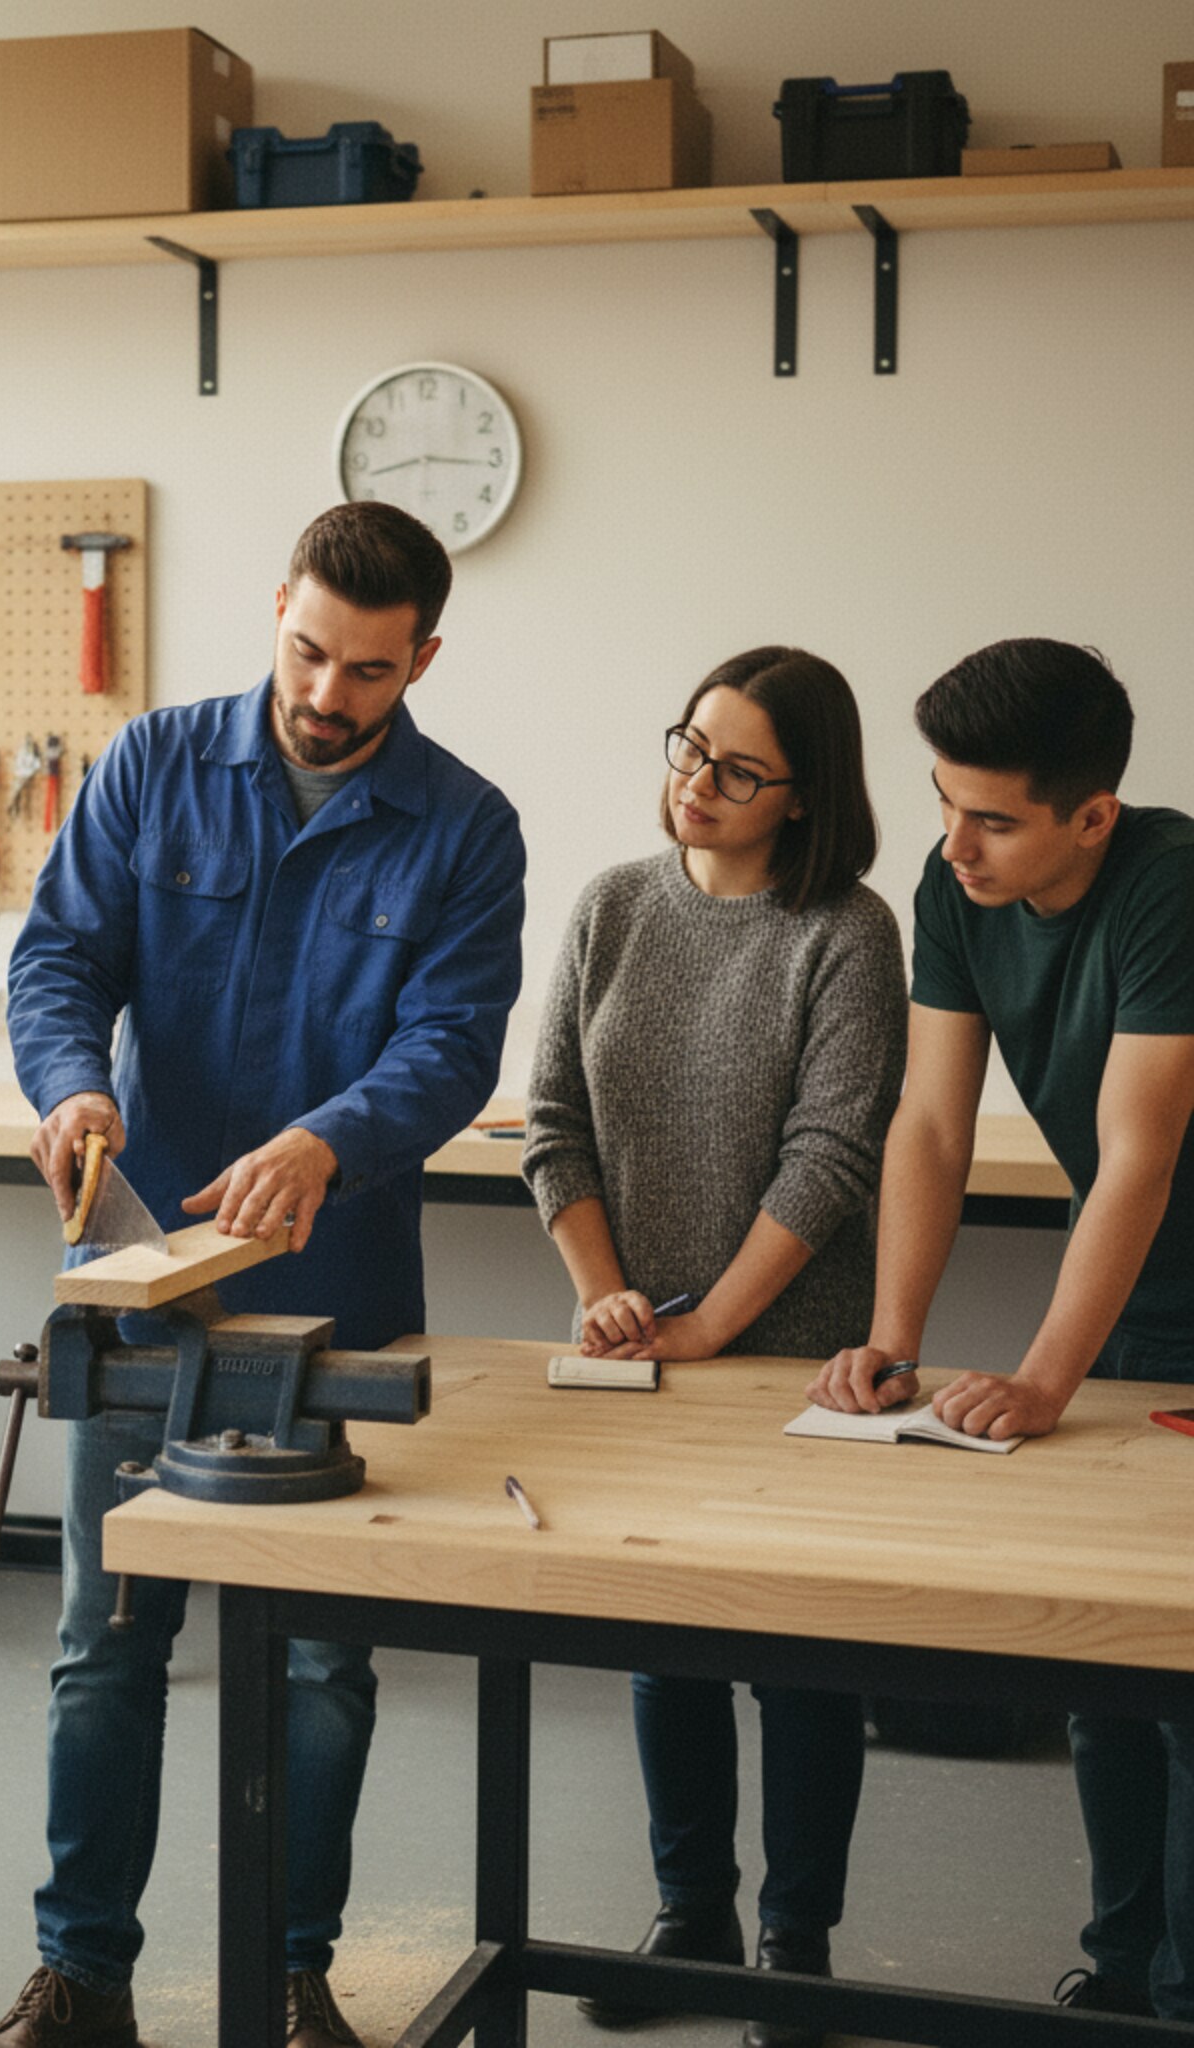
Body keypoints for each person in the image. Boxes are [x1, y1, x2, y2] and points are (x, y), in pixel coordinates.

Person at [0, 501, 526, 2048]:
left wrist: (330, 1138)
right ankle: (83, 1977)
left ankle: (295, 1973)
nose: (326, 694)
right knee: (107, 1641)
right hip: (140, 1275)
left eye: (368, 669)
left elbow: (451, 1042)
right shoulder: (153, 766)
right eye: (307, 651)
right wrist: (67, 1087)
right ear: (275, 605)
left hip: (333, 1298)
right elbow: (59, 961)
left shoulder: (467, 826)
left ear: (421, 656)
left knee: (322, 1665)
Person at [521, 648, 906, 2048]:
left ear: (802, 798)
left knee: (801, 1653)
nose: (697, 779)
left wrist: (704, 1328)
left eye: (739, 769)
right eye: (691, 745)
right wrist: (613, 1299)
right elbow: (551, 1119)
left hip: (795, 1357)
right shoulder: (612, 905)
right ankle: (694, 1916)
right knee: (661, 1640)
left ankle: (795, 1948)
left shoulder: (849, 931)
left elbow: (830, 1157)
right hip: (638, 1348)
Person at [809, 639, 1194, 2025]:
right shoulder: (953, 884)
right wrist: (891, 1335)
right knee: (1108, 1658)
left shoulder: (1170, 884)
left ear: (1090, 816)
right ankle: (1126, 1973)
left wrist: (1041, 1375)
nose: (956, 842)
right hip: (1144, 1299)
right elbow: (930, 1121)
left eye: (995, 816)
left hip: (1161, 1271)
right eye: (943, 802)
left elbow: (1138, 1150)